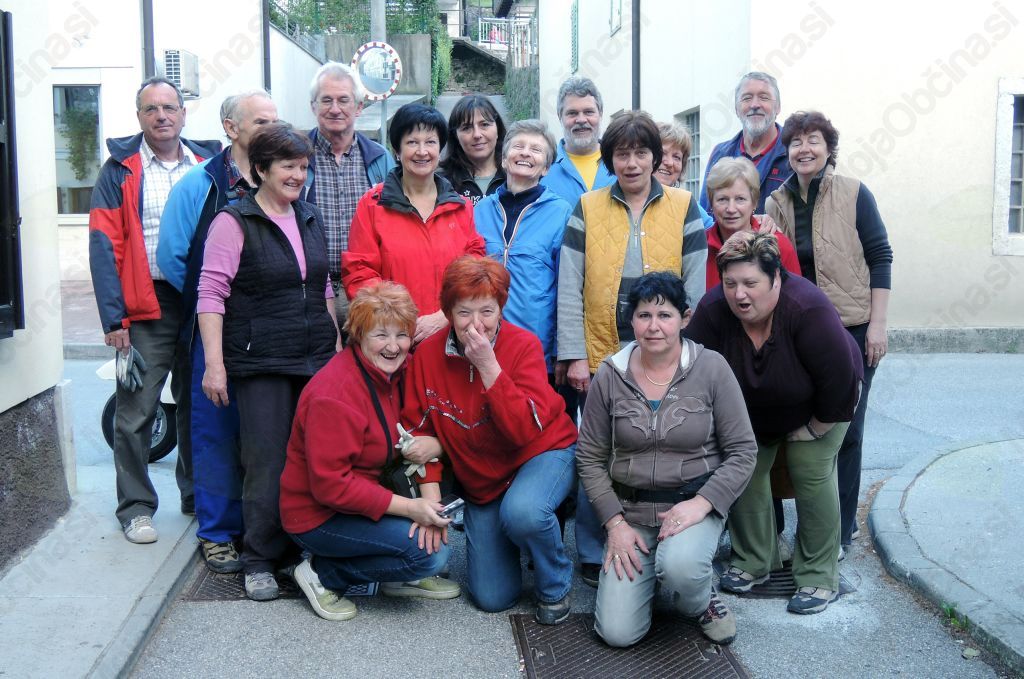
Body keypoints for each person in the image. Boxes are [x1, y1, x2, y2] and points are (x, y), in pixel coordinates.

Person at [557, 110, 707, 585]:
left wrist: (688, 351)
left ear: (655, 157)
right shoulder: (587, 206)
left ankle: (666, 541)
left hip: (665, 351)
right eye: (622, 153)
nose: (632, 162)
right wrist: (574, 354)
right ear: (610, 159)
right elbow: (570, 284)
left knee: (658, 443)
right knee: (598, 450)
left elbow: (696, 286)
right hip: (603, 351)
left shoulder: (684, 205)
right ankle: (591, 548)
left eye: (641, 152)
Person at [197, 122, 339, 601]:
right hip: (261, 362)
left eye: (303, 166)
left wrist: (336, 345)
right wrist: (214, 365)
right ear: (260, 169)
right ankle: (258, 559)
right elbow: (210, 294)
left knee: (311, 460)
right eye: (287, 166)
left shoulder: (310, 216)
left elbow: (321, 288)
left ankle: (300, 554)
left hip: (315, 358)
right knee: (267, 463)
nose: (298, 175)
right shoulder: (234, 221)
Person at [685, 232, 862, 614]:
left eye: (751, 283)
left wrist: (815, 428)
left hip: (823, 406)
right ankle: (754, 559)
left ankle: (818, 575)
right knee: (744, 467)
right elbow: (689, 369)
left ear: (776, 278)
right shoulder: (713, 310)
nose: (739, 294)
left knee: (810, 469)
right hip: (753, 410)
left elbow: (841, 383)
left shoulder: (807, 309)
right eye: (730, 283)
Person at [577, 272, 757, 646]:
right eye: (644, 315)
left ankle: (699, 599)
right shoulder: (610, 375)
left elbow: (743, 451)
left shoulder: (712, 368)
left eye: (665, 315)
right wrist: (614, 524)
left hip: (691, 508)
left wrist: (702, 504)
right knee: (617, 634)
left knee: (682, 568)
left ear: (684, 318)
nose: (654, 326)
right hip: (631, 515)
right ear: (631, 321)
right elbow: (589, 458)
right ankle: (660, 573)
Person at [400, 256, 579, 625]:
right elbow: (417, 433)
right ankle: (515, 537)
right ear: (448, 313)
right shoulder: (427, 356)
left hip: (542, 452)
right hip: (484, 476)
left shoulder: (524, 345)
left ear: (501, 309)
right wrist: (432, 503)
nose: (476, 324)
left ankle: (554, 583)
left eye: (487, 311)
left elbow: (521, 431)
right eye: (464, 312)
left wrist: (487, 365)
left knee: (524, 512)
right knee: (492, 598)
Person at [88, 76, 220, 544]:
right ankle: (136, 508)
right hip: (148, 304)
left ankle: (196, 496)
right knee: (136, 411)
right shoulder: (118, 171)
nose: (161, 116)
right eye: (151, 109)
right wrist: (114, 318)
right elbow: (104, 245)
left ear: (183, 113)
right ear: (139, 116)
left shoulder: (208, 164)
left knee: (197, 405)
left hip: (202, 302)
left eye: (169, 107)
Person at [281, 282, 460, 622]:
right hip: (319, 515)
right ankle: (322, 574)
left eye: (402, 335)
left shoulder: (399, 372)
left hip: (370, 495)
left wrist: (430, 502)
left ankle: (398, 576)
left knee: (433, 544)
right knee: (430, 556)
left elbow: (425, 427)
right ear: (359, 335)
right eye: (381, 335)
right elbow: (331, 486)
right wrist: (412, 509)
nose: (393, 346)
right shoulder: (334, 393)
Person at [157, 90, 278, 573]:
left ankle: (260, 529)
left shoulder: (280, 178)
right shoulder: (199, 185)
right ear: (231, 128)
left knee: (263, 435)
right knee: (214, 434)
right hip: (213, 333)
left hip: (268, 332)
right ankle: (217, 533)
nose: (271, 128)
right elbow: (173, 259)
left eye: (275, 120)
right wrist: (214, 303)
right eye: (261, 121)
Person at [766, 111, 894, 548]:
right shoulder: (776, 202)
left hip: (853, 328)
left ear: (828, 147)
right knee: (803, 430)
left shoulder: (854, 193)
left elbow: (880, 256)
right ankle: (808, 526)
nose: (804, 149)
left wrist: (878, 325)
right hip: (800, 332)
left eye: (813, 140)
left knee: (848, 429)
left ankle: (839, 533)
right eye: (796, 141)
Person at [342, 103, 484, 345]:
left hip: (450, 337)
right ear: (397, 150)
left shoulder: (460, 208)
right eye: (412, 142)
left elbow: (475, 273)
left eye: (430, 142)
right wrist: (401, 323)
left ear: (440, 149)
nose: (422, 151)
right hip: (391, 341)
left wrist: (446, 315)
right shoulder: (373, 205)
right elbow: (359, 273)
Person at [474, 119, 570, 387]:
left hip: (537, 348)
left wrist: (563, 351)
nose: (526, 153)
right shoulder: (479, 211)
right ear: (504, 160)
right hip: (483, 344)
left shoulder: (562, 212)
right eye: (518, 146)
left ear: (546, 168)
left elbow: (569, 286)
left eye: (536, 149)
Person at [303, 62, 394, 331]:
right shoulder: (296, 157)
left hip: (368, 290)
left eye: (343, 100)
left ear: (359, 107)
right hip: (312, 292)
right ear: (313, 107)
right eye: (326, 100)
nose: (335, 109)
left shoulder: (380, 159)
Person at [699, 72, 791, 214]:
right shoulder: (720, 154)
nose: (754, 105)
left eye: (764, 97)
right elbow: (706, 213)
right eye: (747, 98)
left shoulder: (793, 152)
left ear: (778, 107)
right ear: (737, 109)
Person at [704, 157, 801, 289]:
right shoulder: (699, 247)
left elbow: (797, 297)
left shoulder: (779, 246)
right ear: (711, 203)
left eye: (740, 199)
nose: (731, 209)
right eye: (722, 199)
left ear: (754, 202)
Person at [540, 76, 615, 207]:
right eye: (572, 113)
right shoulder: (542, 166)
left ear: (600, 114)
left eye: (588, 112)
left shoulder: (620, 162)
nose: (581, 120)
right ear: (560, 116)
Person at [439, 94, 507, 205]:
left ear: (498, 129)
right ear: (455, 136)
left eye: (484, 124)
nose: (477, 134)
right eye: (466, 128)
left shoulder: (515, 176)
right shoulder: (442, 184)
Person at [654, 121, 713, 228]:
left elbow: (714, 232)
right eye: (662, 153)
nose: (670, 163)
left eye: (676, 157)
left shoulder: (687, 205)